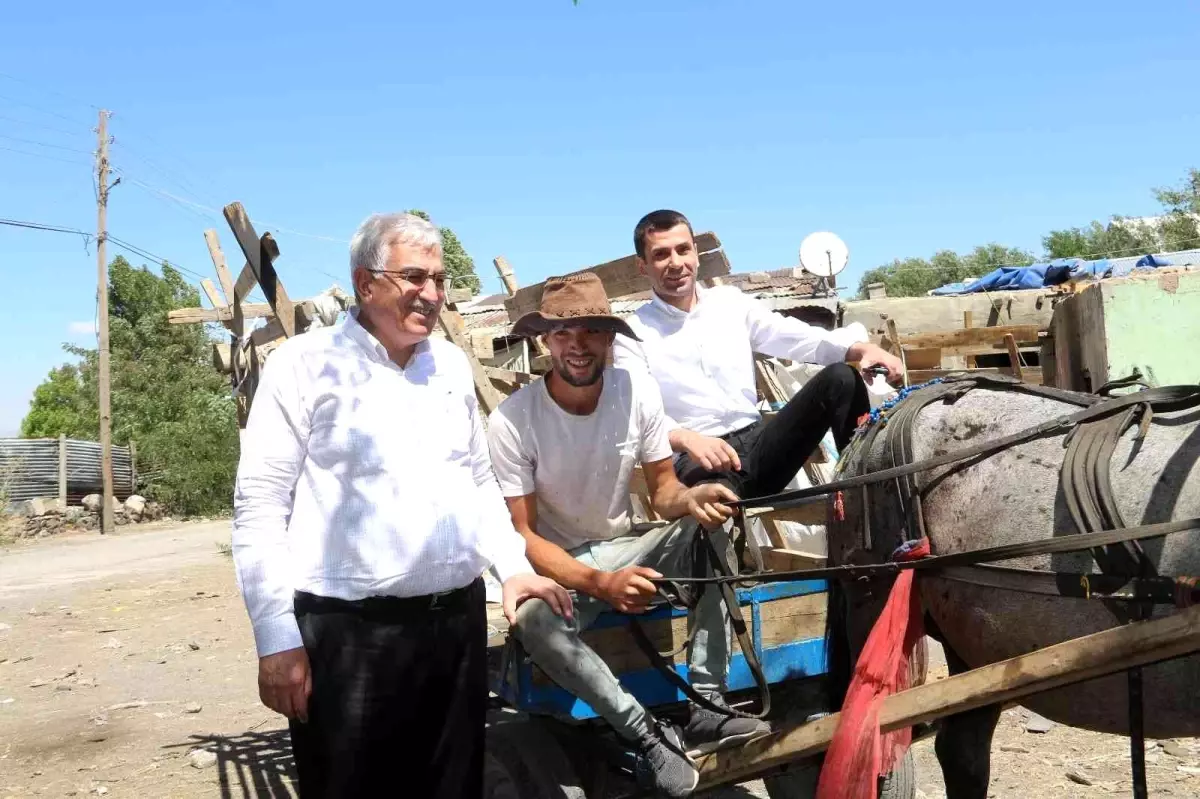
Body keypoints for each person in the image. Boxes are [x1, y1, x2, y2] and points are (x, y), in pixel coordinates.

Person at [231, 211, 571, 799]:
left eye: (439, 279)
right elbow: (260, 506)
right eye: (415, 276)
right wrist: (275, 638)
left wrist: (514, 569)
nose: (432, 293)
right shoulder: (305, 366)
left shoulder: (449, 365)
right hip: (348, 638)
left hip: (453, 628)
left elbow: (476, 480)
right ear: (366, 283)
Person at [486, 273, 771, 799]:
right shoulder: (513, 420)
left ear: (610, 337)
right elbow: (522, 535)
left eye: (592, 330)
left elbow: (664, 492)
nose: (577, 344)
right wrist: (602, 583)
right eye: (563, 332)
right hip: (561, 567)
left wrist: (693, 499)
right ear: (544, 340)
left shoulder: (634, 390)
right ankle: (643, 735)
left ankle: (707, 704)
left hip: (624, 545)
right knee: (531, 619)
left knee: (712, 522)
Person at [612, 209, 905, 502]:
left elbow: (791, 336)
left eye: (683, 250)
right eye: (661, 255)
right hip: (699, 462)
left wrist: (861, 348)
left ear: (696, 253)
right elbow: (637, 411)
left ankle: (869, 501)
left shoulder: (729, 302)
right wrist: (685, 439)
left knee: (842, 379)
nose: (676, 263)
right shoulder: (632, 333)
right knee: (716, 503)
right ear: (643, 266)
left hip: (760, 445)